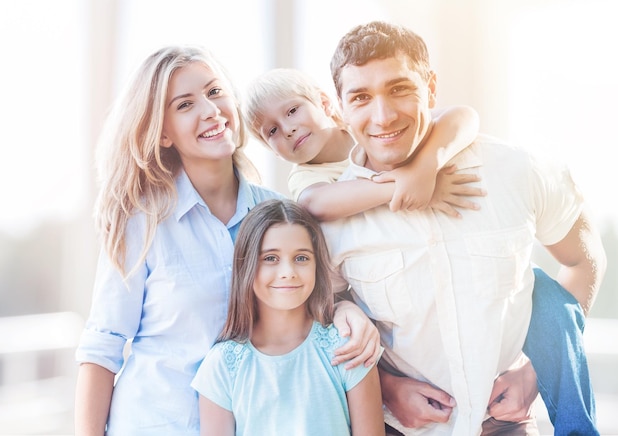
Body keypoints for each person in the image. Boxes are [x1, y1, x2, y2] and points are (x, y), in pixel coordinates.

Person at [74, 45, 380, 436]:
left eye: (215, 92)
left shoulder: (279, 215)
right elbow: (103, 346)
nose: (210, 110)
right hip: (158, 424)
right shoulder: (143, 223)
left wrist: (345, 311)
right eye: (185, 105)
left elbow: (315, 311)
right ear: (162, 133)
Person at [322, 21, 607, 435]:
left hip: (506, 428)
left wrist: (534, 373)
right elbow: (313, 324)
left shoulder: (515, 170)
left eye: (400, 88)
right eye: (361, 97)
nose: (382, 115)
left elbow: (584, 259)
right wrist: (382, 388)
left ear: (431, 87)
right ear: (341, 107)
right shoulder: (330, 221)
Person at [192, 199, 385, 436]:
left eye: (301, 258)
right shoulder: (222, 365)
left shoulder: (347, 348)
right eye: (270, 258)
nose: (288, 273)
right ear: (247, 265)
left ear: (317, 265)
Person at [244, 68, 484, 221]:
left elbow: (463, 116)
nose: (288, 129)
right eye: (272, 131)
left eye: (293, 110)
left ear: (325, 103)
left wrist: (425, 168)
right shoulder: (305, 176)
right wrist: (407, 186)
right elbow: (315, 203)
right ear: (271, 151)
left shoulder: (368, 127)